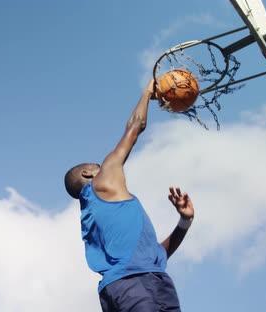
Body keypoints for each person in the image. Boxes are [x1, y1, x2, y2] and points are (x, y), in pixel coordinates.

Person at [64, 79, 195, 312]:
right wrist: (147, 93)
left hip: (139, 282)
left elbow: (155, 254)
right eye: (98, 165)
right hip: (133, 285)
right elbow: (134, 128)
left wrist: (184, 222)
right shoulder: (102, 183)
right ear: (88, 173)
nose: (107, 166)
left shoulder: (101, 214)